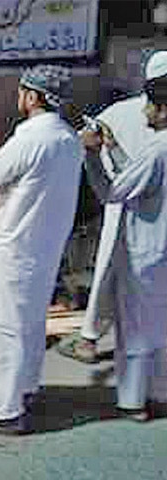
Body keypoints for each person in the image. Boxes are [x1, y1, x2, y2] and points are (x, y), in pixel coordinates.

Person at [0, 65, 82, 435]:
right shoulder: (67, 139)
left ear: (32, 96)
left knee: (0, 329)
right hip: (43, 249)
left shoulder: (31, 139)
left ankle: (3, 412)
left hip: (13, 248)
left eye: (23, 90)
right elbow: (24, 183)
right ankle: (23, 391)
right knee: (28, 325)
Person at [58, 50, 167, 364]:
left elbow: (88, 145)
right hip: (146, 211)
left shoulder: (121, 112)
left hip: (122, 205)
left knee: (110, 269)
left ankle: (91, 339)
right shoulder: (137, 113)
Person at [80, 73, 167, 422]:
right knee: (160, 323)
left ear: (162, 110)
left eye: (149, 104)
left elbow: (116, 190)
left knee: (135, 327)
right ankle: (158, 393)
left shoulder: (157, 148)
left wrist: (93, 154)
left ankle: (133, 401)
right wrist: (113, 147)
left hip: (144, 249)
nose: (143, 110)